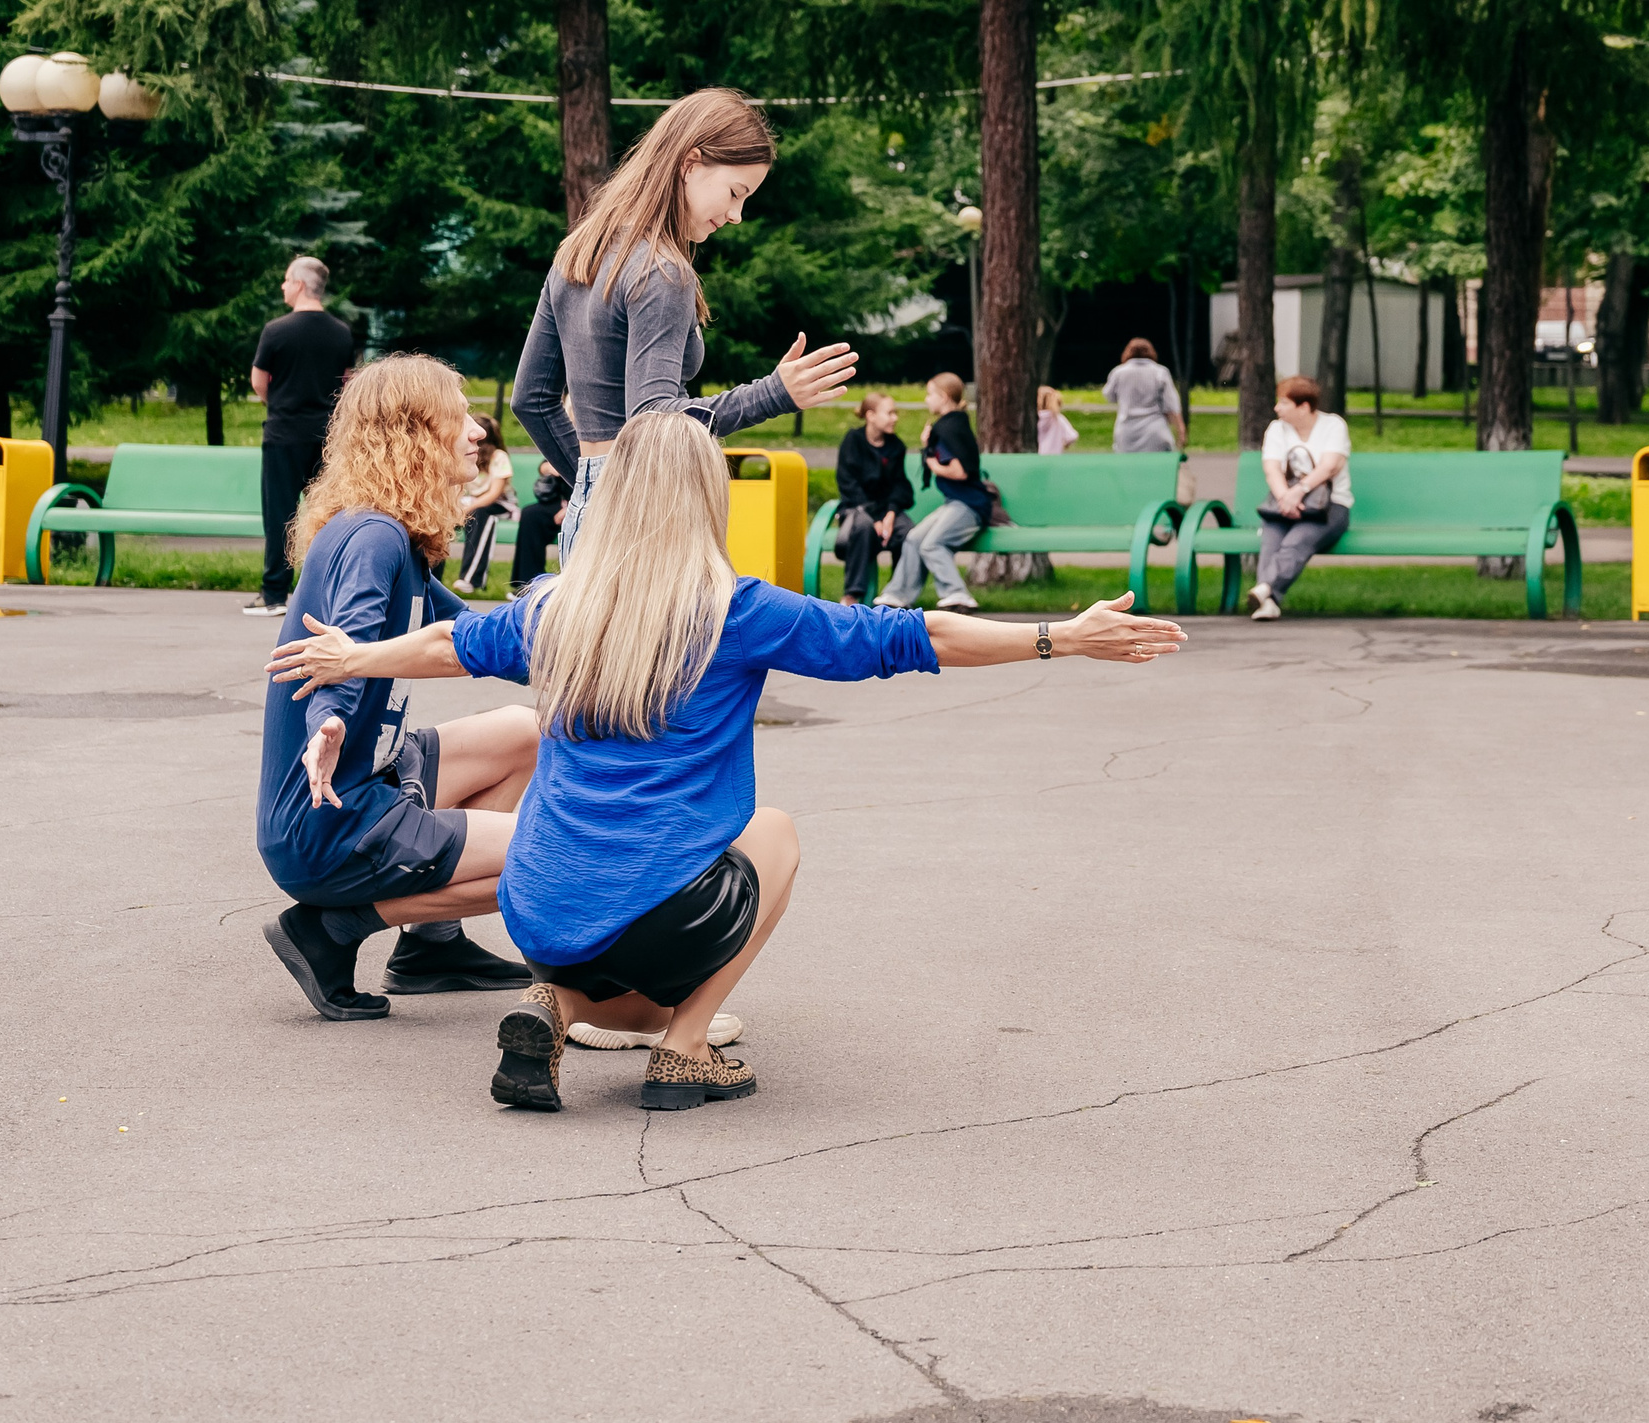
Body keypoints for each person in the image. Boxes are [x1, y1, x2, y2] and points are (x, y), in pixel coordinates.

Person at [267, 411, 1187, 1112]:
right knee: (774, 834)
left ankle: (555, 1006)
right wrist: (1060, 636)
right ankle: (685, 1050)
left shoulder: (556, 608)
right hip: (661, 920)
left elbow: (445, 644)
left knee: (606, 945)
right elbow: (915, 635)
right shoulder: (738, 611)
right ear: (706, 499)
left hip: (536, 915)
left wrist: (354, 658)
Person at [252, 354, 538, 1017]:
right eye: (460, 416)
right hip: (328, 823)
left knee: (528, 731)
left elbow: (482, 639)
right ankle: (334, 927)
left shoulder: (394, 538)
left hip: (370, 781)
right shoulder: (374, 538)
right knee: (546, 852)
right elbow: (339, 649)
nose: (477, 430)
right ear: (416, 432)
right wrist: (329, 720)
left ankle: (432, 944)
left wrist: (595, 666)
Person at [510, 88, 859, 566]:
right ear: (690, 163)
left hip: (589, 512)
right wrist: (774, 394)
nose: (736, 216)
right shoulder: (662, 271)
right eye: (736, 193)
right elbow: (653, 417)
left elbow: (531, 400)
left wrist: (595, 486)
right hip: (649, 513)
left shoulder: (578, 254)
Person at [246, 256, 355, 617]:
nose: (283, 286)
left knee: (280, 514)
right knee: (329, 515)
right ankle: (329, 592)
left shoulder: (276, 331)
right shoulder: (341, 332)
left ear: (300, 284)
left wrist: (278, 403)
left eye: (286, 280)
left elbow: (259, 382)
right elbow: (346, 383)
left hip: (283, 434)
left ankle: (274, 594)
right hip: (327, 436)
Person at [875, 373, 986, 612]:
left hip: (970, 505)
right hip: (956, 502)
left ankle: (957, 595)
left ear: (943, 397)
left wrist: (932, 463)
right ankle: (897, 595)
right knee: (914, 538)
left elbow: (959, 471)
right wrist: (929, 446)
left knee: (932, 544)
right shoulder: (953, 423)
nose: (926, 400)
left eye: (930, 394)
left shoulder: (948, 428)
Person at [1247, 376, 1351, 622]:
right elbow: (1272, 469)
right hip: (1284, 504)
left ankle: (1265, 587)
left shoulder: (1333, 426)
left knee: (1296, 542)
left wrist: (1299, 491)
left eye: (1284, 402)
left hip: (1329, 508)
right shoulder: (1277, 429)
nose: (1277, 408)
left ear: (1304, 407)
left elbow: (1329, 467)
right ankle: (1269, 602)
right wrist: (1285, 498)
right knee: (1271, 544)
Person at [833, 392, 915, 605]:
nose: (895, 418)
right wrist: (876, 518)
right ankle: (852, 595)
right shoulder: (853, 441)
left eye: (895, 413)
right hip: (857, 508)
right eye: (889, 413)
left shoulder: (896, 446)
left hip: (887, 510)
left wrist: (890, 514)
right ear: (870, 416)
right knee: (863, 526)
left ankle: (896, 595)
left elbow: (899, 485)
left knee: (908, 532)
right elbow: (848, 484)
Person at [453, 413, 516, 592]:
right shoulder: (466, 455)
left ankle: (470, 579)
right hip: (471, 502)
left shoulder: (499, 457)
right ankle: (431, 578)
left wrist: (467, 509)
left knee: (479, 514)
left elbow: (495, 493)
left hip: (500, 504)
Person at [1102, 337, 1185, 453]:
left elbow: (1109, 396)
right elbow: (1171, 404)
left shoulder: (1118, 372)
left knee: (1127, 463)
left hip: (1126, 430)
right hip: (1155, 429)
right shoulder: (1160, 372)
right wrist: (1180, 429)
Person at [507, 462, 570, 598]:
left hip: (585, 503)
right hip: (559, 501)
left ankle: (571, 588)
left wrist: (570, 508)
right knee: (530, 515)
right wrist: (550, 467)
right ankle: (528, 585)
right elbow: (544, 465)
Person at [1037, 385, 1079, 455]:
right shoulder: (1058, 419)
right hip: (1054, 456)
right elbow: (1072, 436)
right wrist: (1064, 445)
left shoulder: (1033, 419)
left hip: (1035, 455)